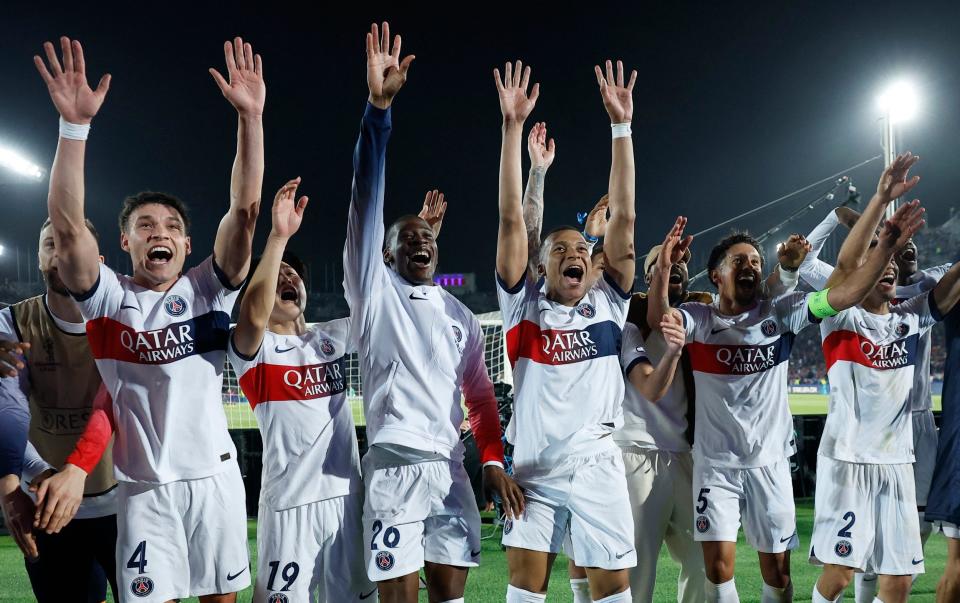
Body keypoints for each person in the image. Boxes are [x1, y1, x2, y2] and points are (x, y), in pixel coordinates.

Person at [32, 35, 264, 602]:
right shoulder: (108, 299)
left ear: (188, 243)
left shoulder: (208, 289)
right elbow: (65, 231)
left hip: (214, 479)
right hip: (142, 491)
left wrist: (250, 119)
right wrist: (73, 130)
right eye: (144, 224)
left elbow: (245, 211)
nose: (158, 230)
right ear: (124, 241)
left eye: (169, 225)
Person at [646, 181, 925, 602]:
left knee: (777, 575)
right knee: (718, 571)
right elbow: (658, 317)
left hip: (771, 464)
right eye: (739, 260)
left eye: (756, 260)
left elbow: (845, 294)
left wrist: (884, 246)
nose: (751, 266)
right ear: (718, 275)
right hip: (715, 465)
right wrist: (664, 270)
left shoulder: (784, 312)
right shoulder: (700, 319)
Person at [343, 22, 521, 603]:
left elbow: (480, 395)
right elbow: (367, 201)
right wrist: (378, 113)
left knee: (452, 595)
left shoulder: (458, 314)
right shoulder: (374, 290)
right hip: (395, 462)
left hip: (449, 466)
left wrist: (491, 457)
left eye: (430, 238)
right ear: (386, 253)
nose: (422, 242)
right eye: (408, 237)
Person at [495, 57, 638, 602]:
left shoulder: (607, 304)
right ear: (544, 264)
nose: (577, 254)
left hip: (598, 466)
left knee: (611, 592)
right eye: (563, 250)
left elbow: (622, 219)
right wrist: (511, 129)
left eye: (582, 249)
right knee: (526, 592)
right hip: (532, 468)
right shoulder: (521, 307)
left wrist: (620, 128)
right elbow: (513, 220)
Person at [809, 154, 960, 603]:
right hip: (849, 460)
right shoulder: (837, 314)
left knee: (898, 581)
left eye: (894, 260)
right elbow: (848, 260)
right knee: (840, 573)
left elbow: (948, 288)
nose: (889, 265)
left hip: (898, 462)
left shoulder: (910, 316)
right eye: (881, 259)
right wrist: (878, 202)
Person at [0, 217, 118, 602]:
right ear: (38, 259)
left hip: (128, 501)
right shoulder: (12, 322)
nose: (62, 253)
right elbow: (9, 409)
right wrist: (21, 480)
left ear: (98, 260)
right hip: (46, 504)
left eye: (72, 243)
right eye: (51, 244)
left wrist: (76, 469)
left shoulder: (126, 317)